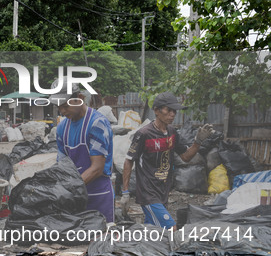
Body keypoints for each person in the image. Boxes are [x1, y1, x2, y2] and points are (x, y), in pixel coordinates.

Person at [121, 91, 214, 229]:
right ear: (156, 111)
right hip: (148, 193)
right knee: (171, 228)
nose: (172, 114)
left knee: (152, 232)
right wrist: (125, 192)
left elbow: (186, 157)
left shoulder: (172, 132)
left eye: (174, 111)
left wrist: (198, 142)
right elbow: (129, 161)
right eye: (168, 110)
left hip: (163, 191)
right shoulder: (144, 134)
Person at [49, 85, 115, 223]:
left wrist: (69, 188)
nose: (62, 111)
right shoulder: (62, 128)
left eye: (65, 105)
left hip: (98, 196)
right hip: (75, 197)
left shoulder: (97, 123)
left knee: (101, 240)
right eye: (58, 106)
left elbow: (97, 168)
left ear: (79, 98)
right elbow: (62, 165)